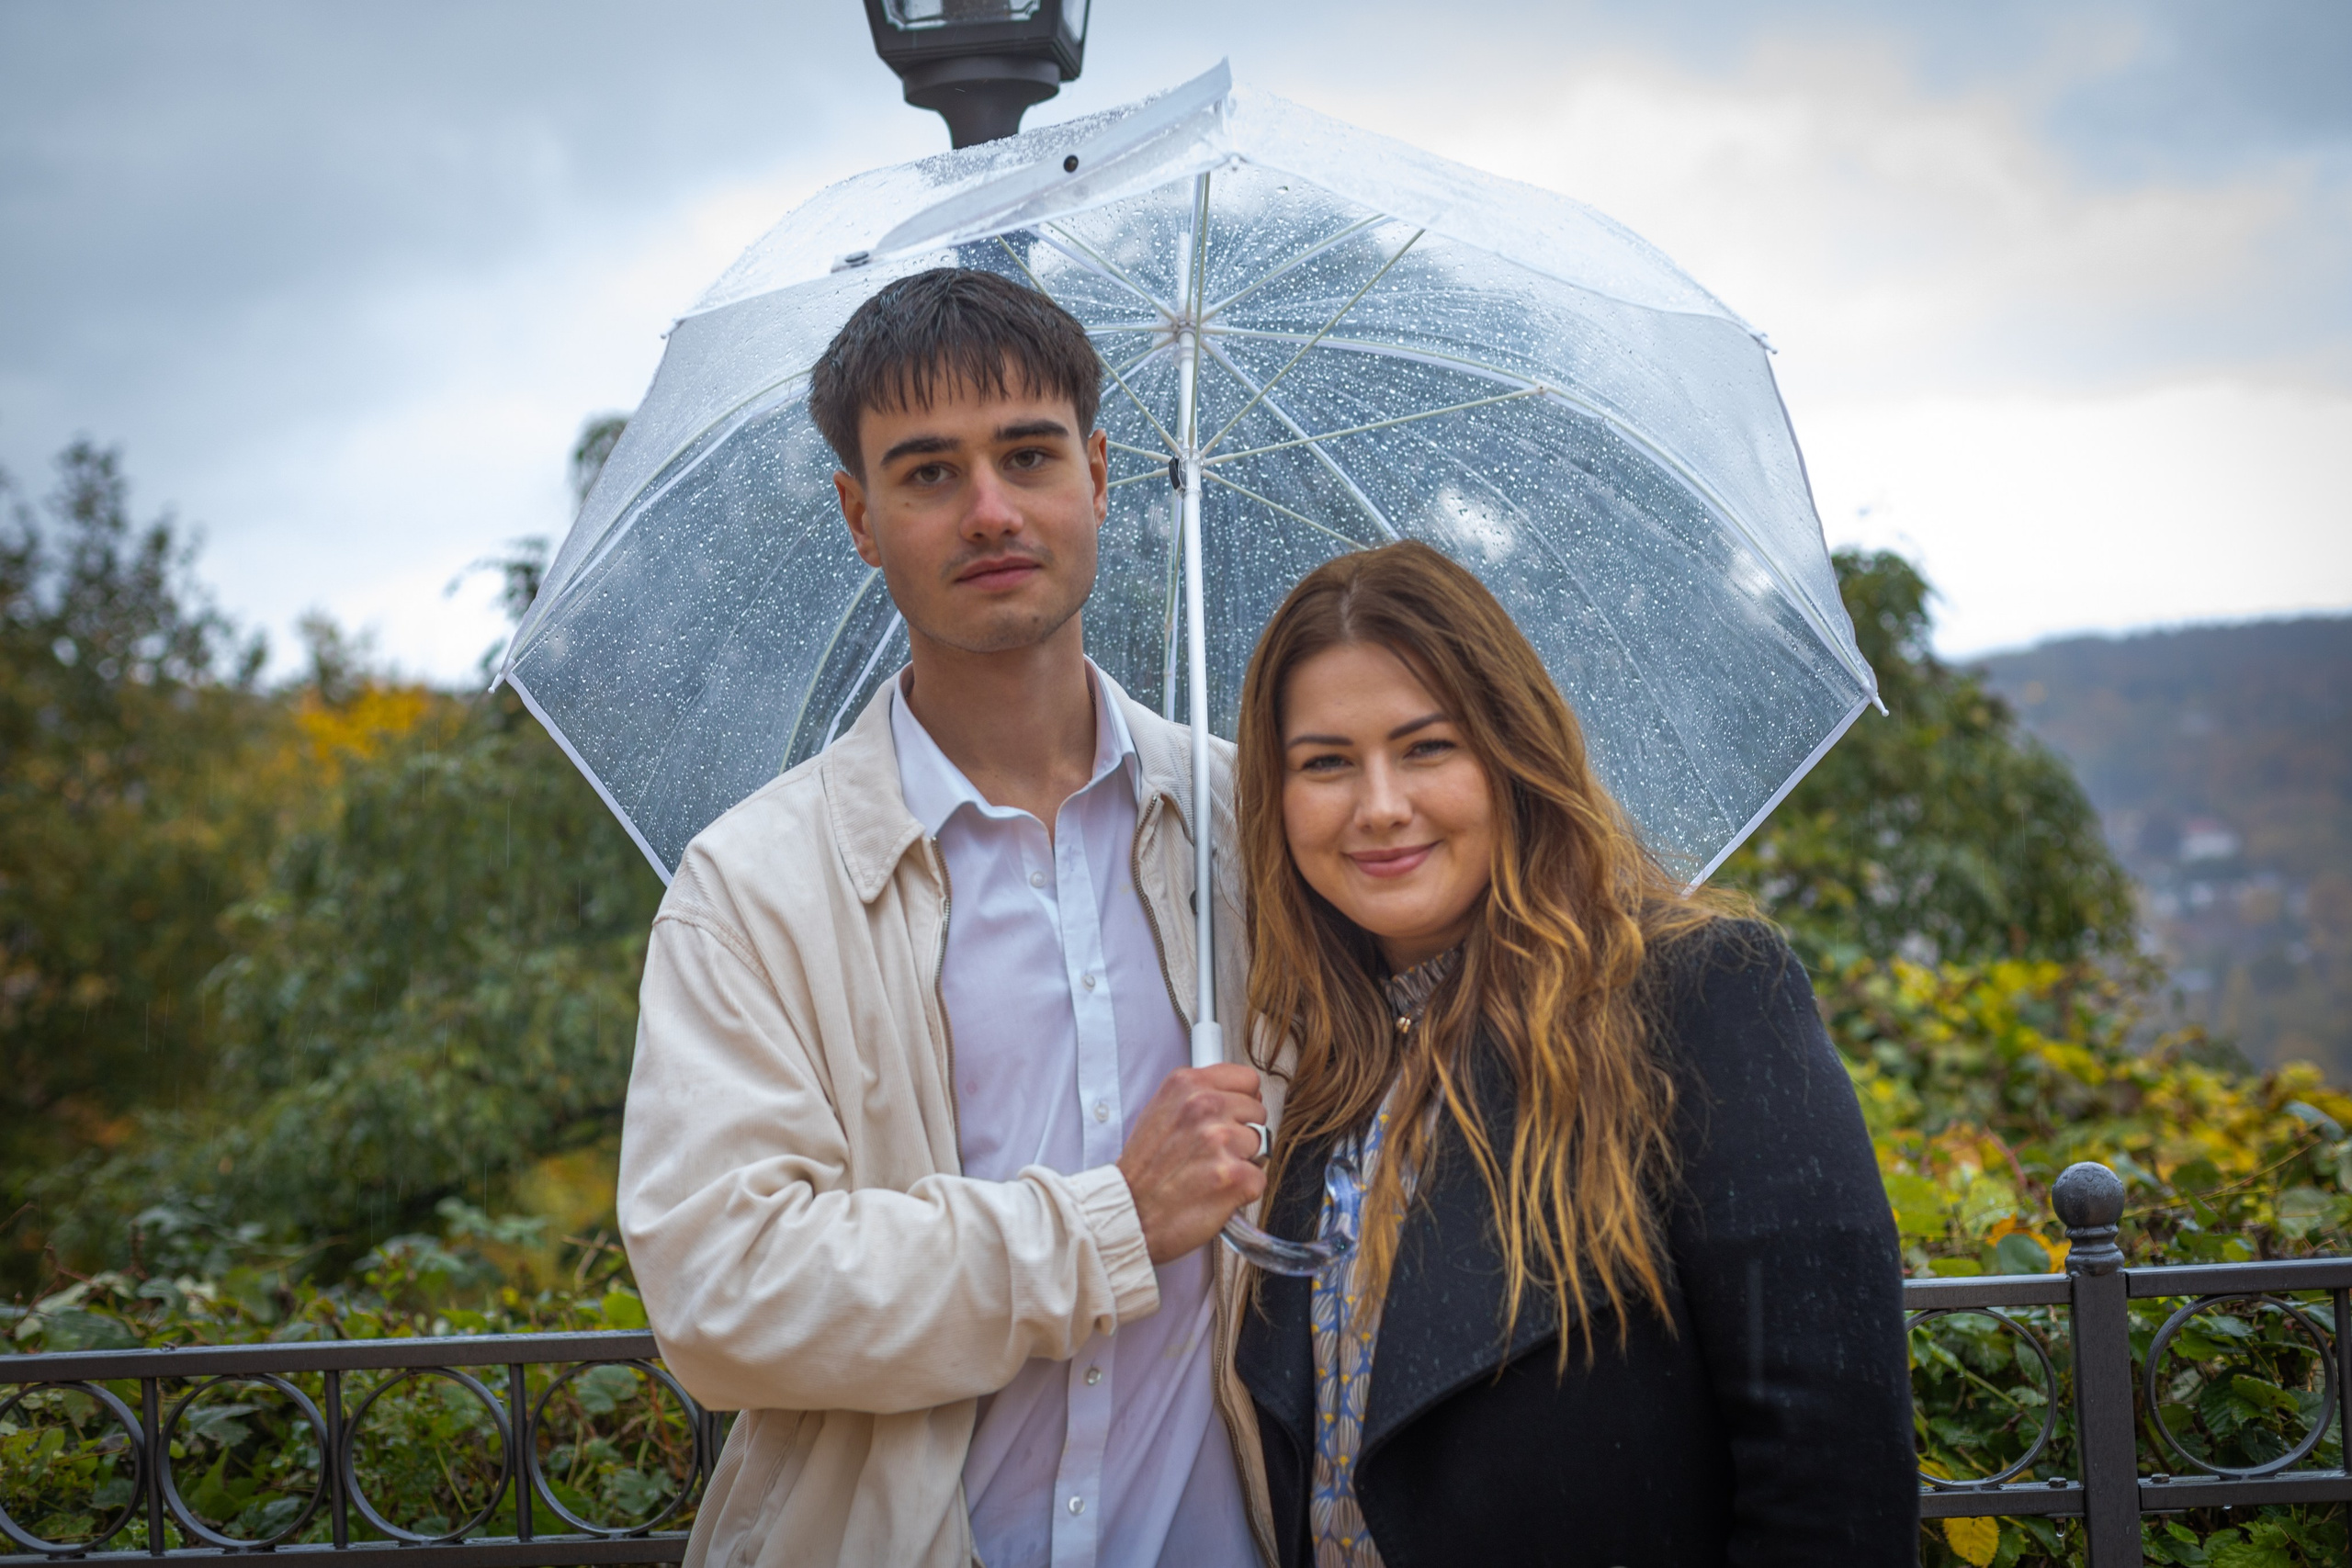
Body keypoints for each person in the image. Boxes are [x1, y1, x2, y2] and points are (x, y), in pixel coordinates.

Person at [616, 269, 1279, 1568]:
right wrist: (1110, 1222)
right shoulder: (751, 889)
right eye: (927, 474)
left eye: (1028, 454)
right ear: (860, 517)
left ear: (1096, 470)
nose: (989, 510)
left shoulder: (1254, 824)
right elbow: (722, 1290)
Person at [1230, 541, 1917, 1566]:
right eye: (1325, 762)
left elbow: (1830, 1469)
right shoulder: (1309, 1069)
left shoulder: (1699, 995)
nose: (1377, 805)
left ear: (1510, 752)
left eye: (1426, 747)